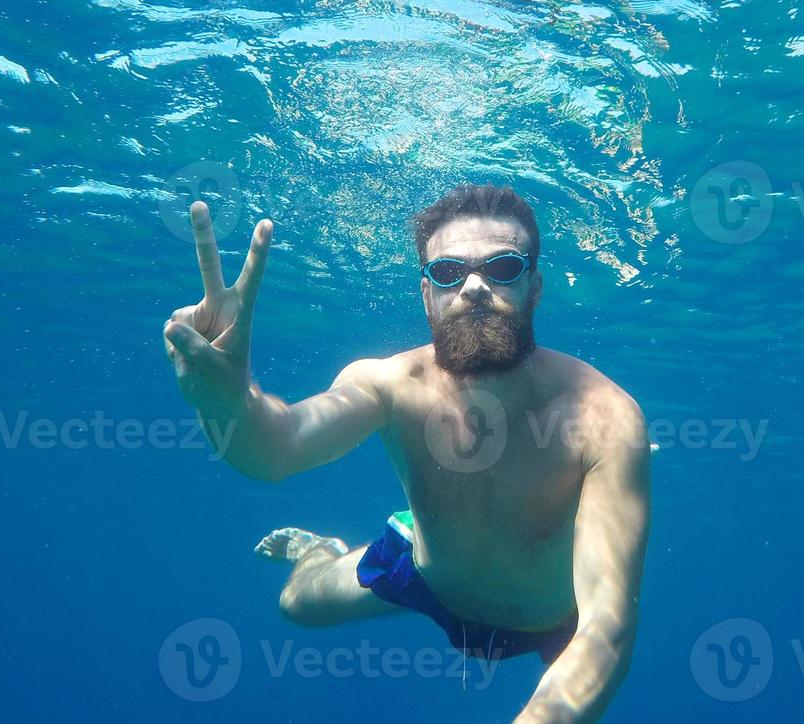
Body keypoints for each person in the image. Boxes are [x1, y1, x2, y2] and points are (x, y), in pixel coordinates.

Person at [163, 184, 650, 722]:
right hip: (431, 577)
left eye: (503, 268)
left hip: (557, 619)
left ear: (534, 288)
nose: (474, 288)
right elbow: (274, 452)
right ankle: (321, 550)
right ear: (427, 294)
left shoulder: (604, 416)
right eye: (448, 273)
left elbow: (607, 627)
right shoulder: (387, 384)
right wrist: (228, 401)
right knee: (294, 605)